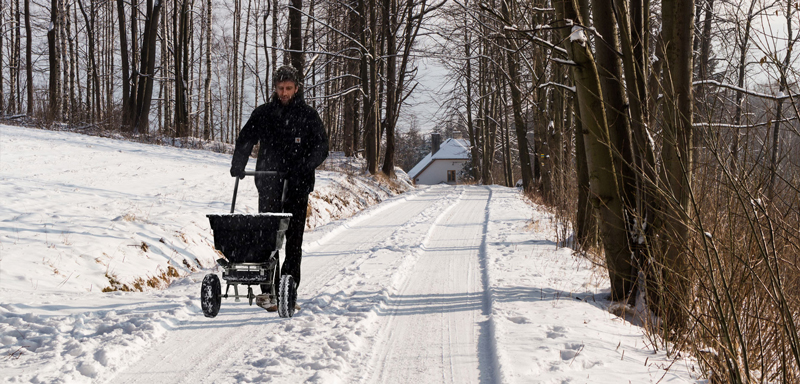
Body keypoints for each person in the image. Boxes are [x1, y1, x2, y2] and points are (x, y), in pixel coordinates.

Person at [230, 65, 328, 311]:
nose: (284, 93)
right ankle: (268, 292)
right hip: (269, 182)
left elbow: (321, 147)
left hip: (297, 185)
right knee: (268, 237)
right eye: (280, 88)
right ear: (275, 88)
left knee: (294, 239)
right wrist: (238, 164)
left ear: (296, 88)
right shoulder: (264, 113)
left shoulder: (307, 115)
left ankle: (289, 290)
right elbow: (246, 138)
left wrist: (304, 166)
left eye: (288, 88)